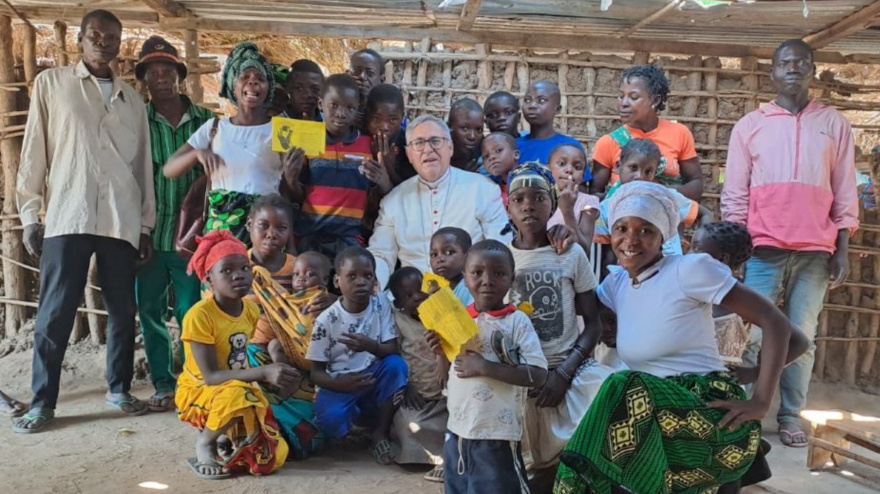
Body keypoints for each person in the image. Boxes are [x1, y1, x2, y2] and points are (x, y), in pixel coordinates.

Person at [554, 181, 801, 494]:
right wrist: (565, 236)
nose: (631, 240)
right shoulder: (618, 284)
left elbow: (775, 321)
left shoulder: (689, 270)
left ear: (663, 237)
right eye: (622, 228)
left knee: (622, 383)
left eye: (646, 230)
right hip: (657, 418)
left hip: (706, 407)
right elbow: (574, 300)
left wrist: (761, 400)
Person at [13, 10, 155, 433]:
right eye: (95, 35)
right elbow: (34, 151)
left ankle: (118, 389)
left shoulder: (133, 101)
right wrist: (29, 213)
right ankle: (42, 402)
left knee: (121, 309)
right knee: (55, 312)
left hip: (120, 219)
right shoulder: (52, 85)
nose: (103, 42)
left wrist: (145, 225)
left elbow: (142, 166)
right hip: (67, 214)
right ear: (80, 38)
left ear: (119, 43)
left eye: (112, 37)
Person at [721, 39, 858, 448]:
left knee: (803, 335)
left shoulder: (834, 124)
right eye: (785, 63)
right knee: (746, 334)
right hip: (761, 247)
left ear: (813, 70)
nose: (793, 68)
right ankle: (740, 411)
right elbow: (735, 195)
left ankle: (790, 415)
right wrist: (735, 253)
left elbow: (845, 189)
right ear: (773, 72)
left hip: (816, 250)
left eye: (801, 62)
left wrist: (843, 247)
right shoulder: (751, 125)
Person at [503, 164, 613, 482]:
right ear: (508, 206)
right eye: (519, 198)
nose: (528, 205)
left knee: (612, 392)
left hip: (569, 369)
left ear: (552, 203)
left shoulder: (570, 253)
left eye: (538, 197)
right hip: (520, 376)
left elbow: (592, 324)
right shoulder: (499, 258)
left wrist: (564, 373)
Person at [133, 35, 214, 413]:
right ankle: (163, 382)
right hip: (148, 234)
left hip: (190, 239)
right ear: (144, 80)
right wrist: (138, 230)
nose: (161, 78)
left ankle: (193, 377)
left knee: (189, 310)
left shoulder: (205, 122)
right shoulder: (137, 121)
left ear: (180, 76)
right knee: (149, 310)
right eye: (153, 72)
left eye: (168, 71)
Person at [429, 239, 548, 494]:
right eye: (477, 272)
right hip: (458, 430)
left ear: (511, 278)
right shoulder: (459, 318)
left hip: (497, 433)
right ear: (465, 276)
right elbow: (451, 369)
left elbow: (538, 375)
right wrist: (441, 352)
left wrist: (486, 368)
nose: (487, 280)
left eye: (499, 273)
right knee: (458, 487)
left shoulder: (517, 322)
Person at [175, 230, 291, 479]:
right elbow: (210, 376)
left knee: (272, 455)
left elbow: (237, 357)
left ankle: (225, 437)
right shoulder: (199, 316)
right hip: (199, 390)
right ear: (209, 279)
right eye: (226, 270)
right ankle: (205, 441)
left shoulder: (249, 310)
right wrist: (261, 372)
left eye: (244, 268)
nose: (238, 275)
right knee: (240, 393)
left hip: (234, 386)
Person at [164, 41, 292, 244]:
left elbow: (291, 183)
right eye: (244, 77)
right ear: (233, 84)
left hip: (266, 229)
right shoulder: (214, 128)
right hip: (221, 231)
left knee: (261, 276)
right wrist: (197, 154)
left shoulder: (281, 129)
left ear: (268, 88)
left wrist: (292, 169)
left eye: (260, 79)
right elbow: (169, 169)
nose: (253, 83)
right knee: (221, 275)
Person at [368, 114, 511, 288]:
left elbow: (499, 248)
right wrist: (374, 284)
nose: (427, 149)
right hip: (410, 301)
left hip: (469, 300)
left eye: (435, 141)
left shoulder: (483, 190)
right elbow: (381, 254)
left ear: (450, 148)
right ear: (409, 154)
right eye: (418, 143)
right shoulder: (393, 201)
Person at [307, 247, 408, 465]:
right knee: (329, 422)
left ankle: (379, 433)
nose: (361, 282)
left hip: (372, 377)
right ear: (337, 281)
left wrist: (370, 346)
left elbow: (391, 350)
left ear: (375, 280)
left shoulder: (380, 304)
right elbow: (315, 373)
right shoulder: (327, 321)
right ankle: (353, 427)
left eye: (367, 276)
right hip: (339, 382)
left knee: (396, 366)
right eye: (352, 276)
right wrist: (340, 384)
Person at [287, 74, 391, 259]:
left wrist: (383, 181)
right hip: (310, 236)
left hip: (351, 238)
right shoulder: (307, 140)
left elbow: (381, 195)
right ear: (320, 104)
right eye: (333, 105)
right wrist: (290, 177)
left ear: (358, 109)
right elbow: (297, 195)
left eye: (350, 108)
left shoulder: (368, 145)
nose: (341, 114)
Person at [589, 64, 703, 200]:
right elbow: (594, 195)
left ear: (655, 100)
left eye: (634, 97)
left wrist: (659, 194)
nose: (623, 103)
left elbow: (696, 183)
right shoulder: (608, 143)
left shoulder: (679, 133)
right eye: (621, 96)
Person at [594, 139, 711, 262]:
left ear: (654, 173)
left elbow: (706, 214)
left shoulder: (667, 197)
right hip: (630, 275)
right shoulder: (607, 207)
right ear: (618, 166)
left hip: (671, 274)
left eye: (648, 172)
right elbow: (606, 254)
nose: (640, 176)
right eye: (633, 168)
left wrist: (696, 250)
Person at [387, 267, 447, 483]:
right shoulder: (400, 322)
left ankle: (446, 455)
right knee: (408, 423)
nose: (418, 297)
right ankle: (416, 453)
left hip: (444, 397)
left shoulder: (443, 315)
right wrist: (407, 386)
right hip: (417, 395)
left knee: (454, 422)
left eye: (420, 290)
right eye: (409, 295)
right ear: (398, 304)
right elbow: (395, 354)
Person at [517, 80, 588, 180]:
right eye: (527, 100)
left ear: (558, 109)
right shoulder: (514, 147)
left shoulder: (570, 147)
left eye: (541, 100)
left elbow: (580, 189)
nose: (532, 105)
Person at [547, 143, 600, 253]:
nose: (569, 170)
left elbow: (585, 249)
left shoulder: (588, 203)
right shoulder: (540, 200)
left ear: (582, 176)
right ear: (548, 169)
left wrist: (568, 211)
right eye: (561, 164)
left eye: (577, 167)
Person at [364, 83, 414, 185]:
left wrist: (389, 167)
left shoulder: (409, 144)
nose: (384, 127)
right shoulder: (358, 138)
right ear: (367, 115)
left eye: (393, 119)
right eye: (377, 119)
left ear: (402, 116)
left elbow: (409, 194)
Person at [430, 227, 473, 307]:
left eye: (449, 252)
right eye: (434, 254)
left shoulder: (471, 287)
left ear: (468, 255)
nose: (439, 259)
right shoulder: (435, 288)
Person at [478, 132, 520, 208]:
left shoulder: (534, 181)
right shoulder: (492, 193)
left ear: (516, 154)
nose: (492, 157)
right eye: (486, 156)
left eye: (498, 150)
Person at [350, 48, 385, 128]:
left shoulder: (388, 111)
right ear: (349, 73)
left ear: (381, 80)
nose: (362, 76)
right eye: (357, 70)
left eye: (370, 73)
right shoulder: (335, 105)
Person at [448, 98, 485, 172]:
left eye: (479, 130)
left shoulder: (485, 150)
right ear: (449, 127)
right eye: (465, 129)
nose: (472, 136)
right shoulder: (436, 151)